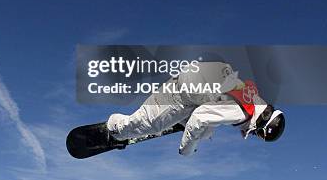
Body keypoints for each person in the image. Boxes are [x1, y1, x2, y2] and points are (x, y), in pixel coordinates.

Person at [106, 55, 285, 156]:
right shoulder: (242, 111)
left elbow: (215, 102)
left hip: (192, 88)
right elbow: (201, 116)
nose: (253, 134)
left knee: (206, 133)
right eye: (258, 133)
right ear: (263, 124)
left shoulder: (251, 98)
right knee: (148, 125)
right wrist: (187, 149)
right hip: (180, 96)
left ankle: (182, 123)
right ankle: (114, 130)